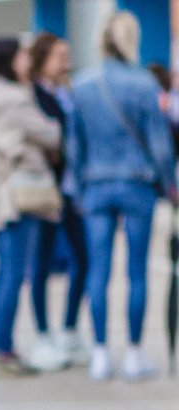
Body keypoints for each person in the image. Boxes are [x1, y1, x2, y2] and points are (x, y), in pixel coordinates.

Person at [70, 11, 178, 381]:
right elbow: (160, 145)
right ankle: (133, 352)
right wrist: (170, 185)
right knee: (137, 272)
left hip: (96, 184)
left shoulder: (82, 84)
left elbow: (75, 146)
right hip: (137, 184)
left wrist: (79, 188)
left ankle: (100, 352)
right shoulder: (145, 84)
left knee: (98, 271)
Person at [0, 37, 61, 377]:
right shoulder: (15, 100)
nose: (27, 60)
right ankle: (4, 349)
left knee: (5, 273)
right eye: (22, 55)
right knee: (12, 273)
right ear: (9, 61)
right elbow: (51, 134)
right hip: (18, 197)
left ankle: (2, 345)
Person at [27, 33, 89, 371]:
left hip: (71, 191)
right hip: (44, 192)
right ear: (43, 59)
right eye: (59, 56)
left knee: (83, 258)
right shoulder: (32, 95)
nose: (66, 62)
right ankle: (43, 335)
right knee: (41, 263)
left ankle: (68, 330)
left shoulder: (70, 93)